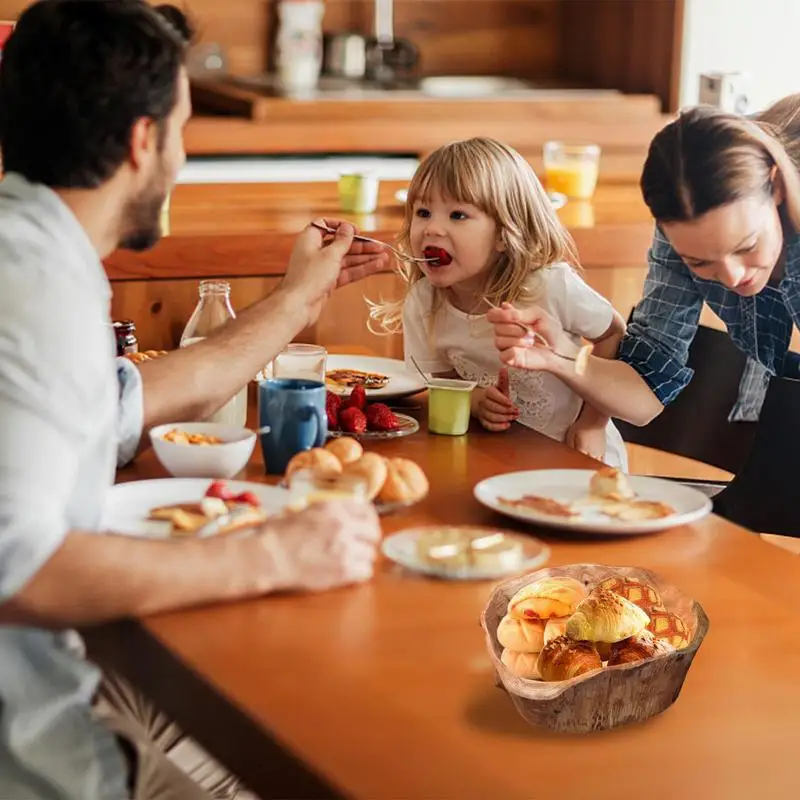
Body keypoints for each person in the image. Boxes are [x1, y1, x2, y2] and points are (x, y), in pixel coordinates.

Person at [0, 2, 391, 798]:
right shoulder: (30, 286)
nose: (182, 157)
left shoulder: (33, 248)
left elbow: (118, 404)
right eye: (181, 130)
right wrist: (274, 553)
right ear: (143, 141)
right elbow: (18, 568)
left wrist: (291, 306)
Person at [488, 96, 800, 430]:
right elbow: (645, 391)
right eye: (699, 262)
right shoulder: (684, 206)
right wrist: (561, 356)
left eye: (747, 245)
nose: (731, 276)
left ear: (777, 185)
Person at [370, 137, 627, 467]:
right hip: (497, 459)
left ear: (506, 235)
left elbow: (613, 333)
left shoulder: (549, 286)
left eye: (458, 215)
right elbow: (437, 387)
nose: (432, 228)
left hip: (578, 455)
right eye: (423, 212)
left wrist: (592, 423)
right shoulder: (424, 303)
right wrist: (476, 402)